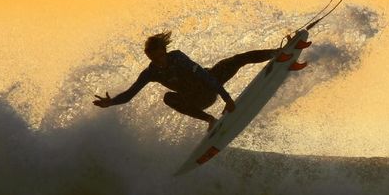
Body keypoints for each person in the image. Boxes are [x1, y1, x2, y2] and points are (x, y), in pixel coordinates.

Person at [93, 31, 277, 131]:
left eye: (157, 56)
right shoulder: (150, 73)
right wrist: (112, 102)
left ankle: (277, 53)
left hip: (209, 83)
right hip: (196, 100)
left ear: (163, 51)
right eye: (151, 57)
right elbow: (129, 94)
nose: (156, 61)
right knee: (168, 98)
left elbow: (205, 77)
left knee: (236, 60)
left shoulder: (178, 58)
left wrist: (227, 99)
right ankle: (209, 120)